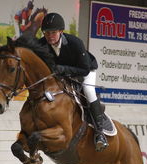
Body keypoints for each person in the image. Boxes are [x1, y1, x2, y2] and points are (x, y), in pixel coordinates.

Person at [39, 12, 109, 152]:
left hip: (85, 70)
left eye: (53, 32)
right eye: (46, 33)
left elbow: (84, 69)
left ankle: (100, 133)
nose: (49, 36)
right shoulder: (41, 44)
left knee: (88, 91)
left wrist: (63, 69)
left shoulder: (75, 43)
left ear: (61, 31)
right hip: (63, 74)